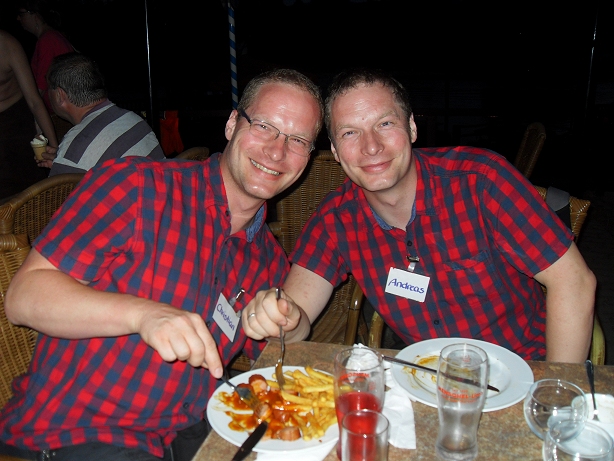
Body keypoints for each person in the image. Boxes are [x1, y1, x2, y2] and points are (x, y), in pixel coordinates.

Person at [0, 68, 323, 461]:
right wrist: (144, 315)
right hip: (79, 432)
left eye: (297, 140)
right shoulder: (137, 186)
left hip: (190, 428)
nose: (276, 151)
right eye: (265, 126)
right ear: (232, 124)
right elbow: (24, 298)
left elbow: (275, 354)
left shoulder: (268, 258)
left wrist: (291, 322)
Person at [242, 68, 597, 364]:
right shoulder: (337, 220)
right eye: (350, 133)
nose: (371, 146)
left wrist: (554, 394)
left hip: (527, 368)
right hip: (427, 381)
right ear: (334, 150)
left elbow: (575, 282)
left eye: (385, 124)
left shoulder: (481, 181)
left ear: (411, 127)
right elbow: (296, 316)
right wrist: (280, 317)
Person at [38, 52, 165, 175]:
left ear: (59, 95)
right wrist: (63, 163)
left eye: (49, 87)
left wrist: (66, 161)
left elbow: (63, 190)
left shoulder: (76, 146)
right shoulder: (133, 120)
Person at [0, 29, 58, 201]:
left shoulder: (7, 45)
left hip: (16, 122)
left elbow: (35, 102)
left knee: (28, 189)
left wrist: (56, 148)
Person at [16, 0, 75, 138]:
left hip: (61, 116)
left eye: (22, 14)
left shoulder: (47, 41)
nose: (18, 18)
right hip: (63, 113)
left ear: (36, 15)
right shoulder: (51, 37)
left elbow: (40, 88)